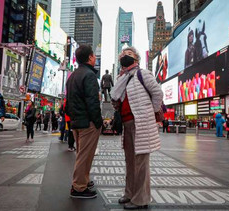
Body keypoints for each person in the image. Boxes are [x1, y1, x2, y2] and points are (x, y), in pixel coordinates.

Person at [110, 46, 163, 210]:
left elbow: (158, 93)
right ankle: (129, 193)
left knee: (141, 162)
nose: (125, 56)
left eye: (129, 54)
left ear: (136, 59)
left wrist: (151, 112)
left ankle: (140, 199)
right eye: (123, 54)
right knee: (130, 161)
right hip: (127, 124)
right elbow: (114, 96)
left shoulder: (142, 73)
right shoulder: (122, 78)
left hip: (141, 123)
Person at [65, 44, 103, 199]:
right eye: (93, 55)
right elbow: (92, 101)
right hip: (88, 122)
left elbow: (68, 102)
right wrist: (98, 121)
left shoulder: (73, 75)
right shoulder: (89, 75)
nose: (95, 58)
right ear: (89, 58)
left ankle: (84, 180)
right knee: (84, 156)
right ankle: (78, 187)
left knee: (83, 154)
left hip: (76, 122)